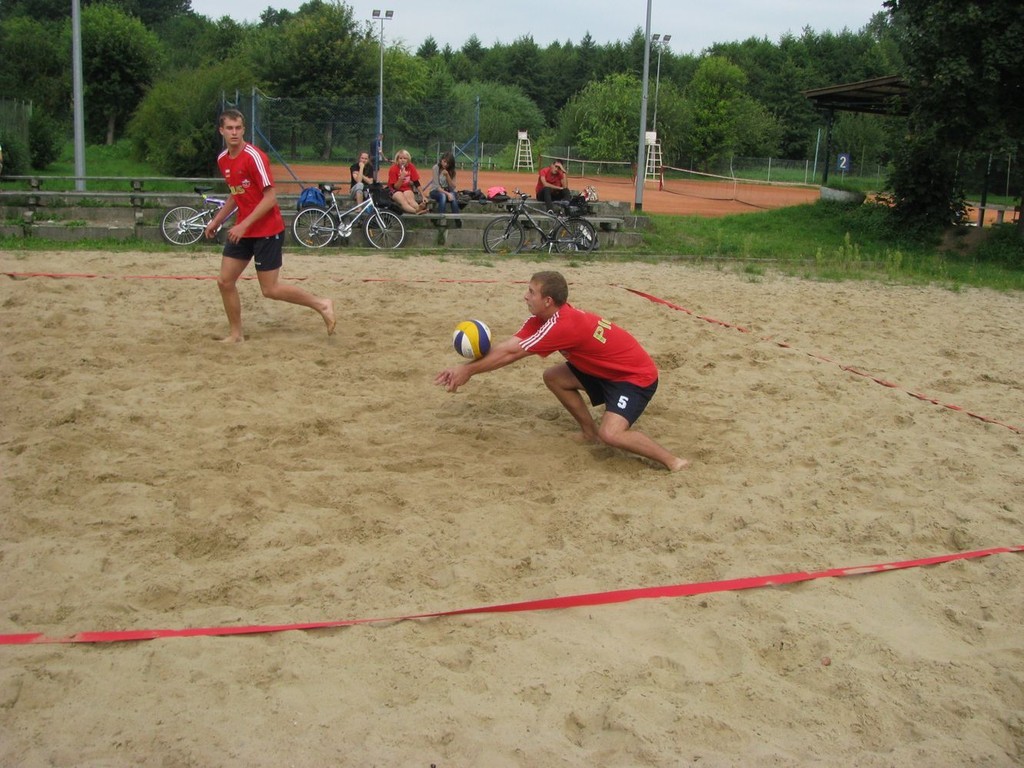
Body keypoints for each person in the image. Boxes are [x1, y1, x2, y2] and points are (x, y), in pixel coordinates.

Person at [435, 270, 689, 472]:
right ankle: (589, 433)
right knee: (554, 377)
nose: (525, 296)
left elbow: (512, 355)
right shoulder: (542, 319)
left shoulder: (562, 325)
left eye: (531, 292)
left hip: (634, 378)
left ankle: (673, 461)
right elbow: (508, 346)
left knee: (611, 434)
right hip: (604, 370)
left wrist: (468, 372)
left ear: (548, 301)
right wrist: (464, 368)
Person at [203, 109, 335, 343]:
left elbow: (270, 197)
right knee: (225, 281)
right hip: (243, 229)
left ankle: (322, 304)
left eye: (238, 128)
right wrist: (217, 220)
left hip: (267, 229)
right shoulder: (223, 159)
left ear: (244, 129)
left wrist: (243, 225)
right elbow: (236, 194)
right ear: (221, 130)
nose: (234, 132)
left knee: (270, 289)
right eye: (229, 128)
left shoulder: (254, 157)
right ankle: (236, 334)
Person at [387, 149, 427, 215]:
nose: (402, 160)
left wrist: (423, 196)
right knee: (403, 201)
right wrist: (402, 177)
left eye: (405, 158)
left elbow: (416, 182)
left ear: (408, 160)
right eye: (400, 158)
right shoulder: (393, 168)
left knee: (410, 200)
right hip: (394, 190)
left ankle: (418, 208)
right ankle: (416, 211)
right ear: (397, 159)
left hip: (406, 188)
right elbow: (395, 187)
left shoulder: (411, 167)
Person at [429, 152, 461, 216]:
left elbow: (453, 187)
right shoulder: (436, 168)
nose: (445, 164)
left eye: (448, 163)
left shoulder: (452, 171)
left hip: (448, 190)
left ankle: (457, 218)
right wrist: (448, 194)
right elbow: (437, 187)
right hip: (435, 191)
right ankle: (441, 218)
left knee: (452, 195)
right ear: (441, 160)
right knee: (443, 196)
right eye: (444, 161)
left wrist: (447, 175)